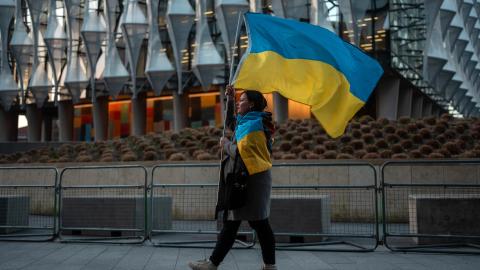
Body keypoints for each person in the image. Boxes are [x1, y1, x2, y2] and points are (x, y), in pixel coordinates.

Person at [188, 85, 277, 270]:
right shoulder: (247, 122)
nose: (239, 103)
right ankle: (214, 263)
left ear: (251, 104)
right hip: (244, 181)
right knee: (234, 223)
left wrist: (227, 145)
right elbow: (230, 123)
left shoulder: (255, 125)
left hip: (253, 183)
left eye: (242, 101)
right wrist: (230, 98)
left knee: (259, 224)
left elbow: (247, 155)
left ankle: (268, 265)